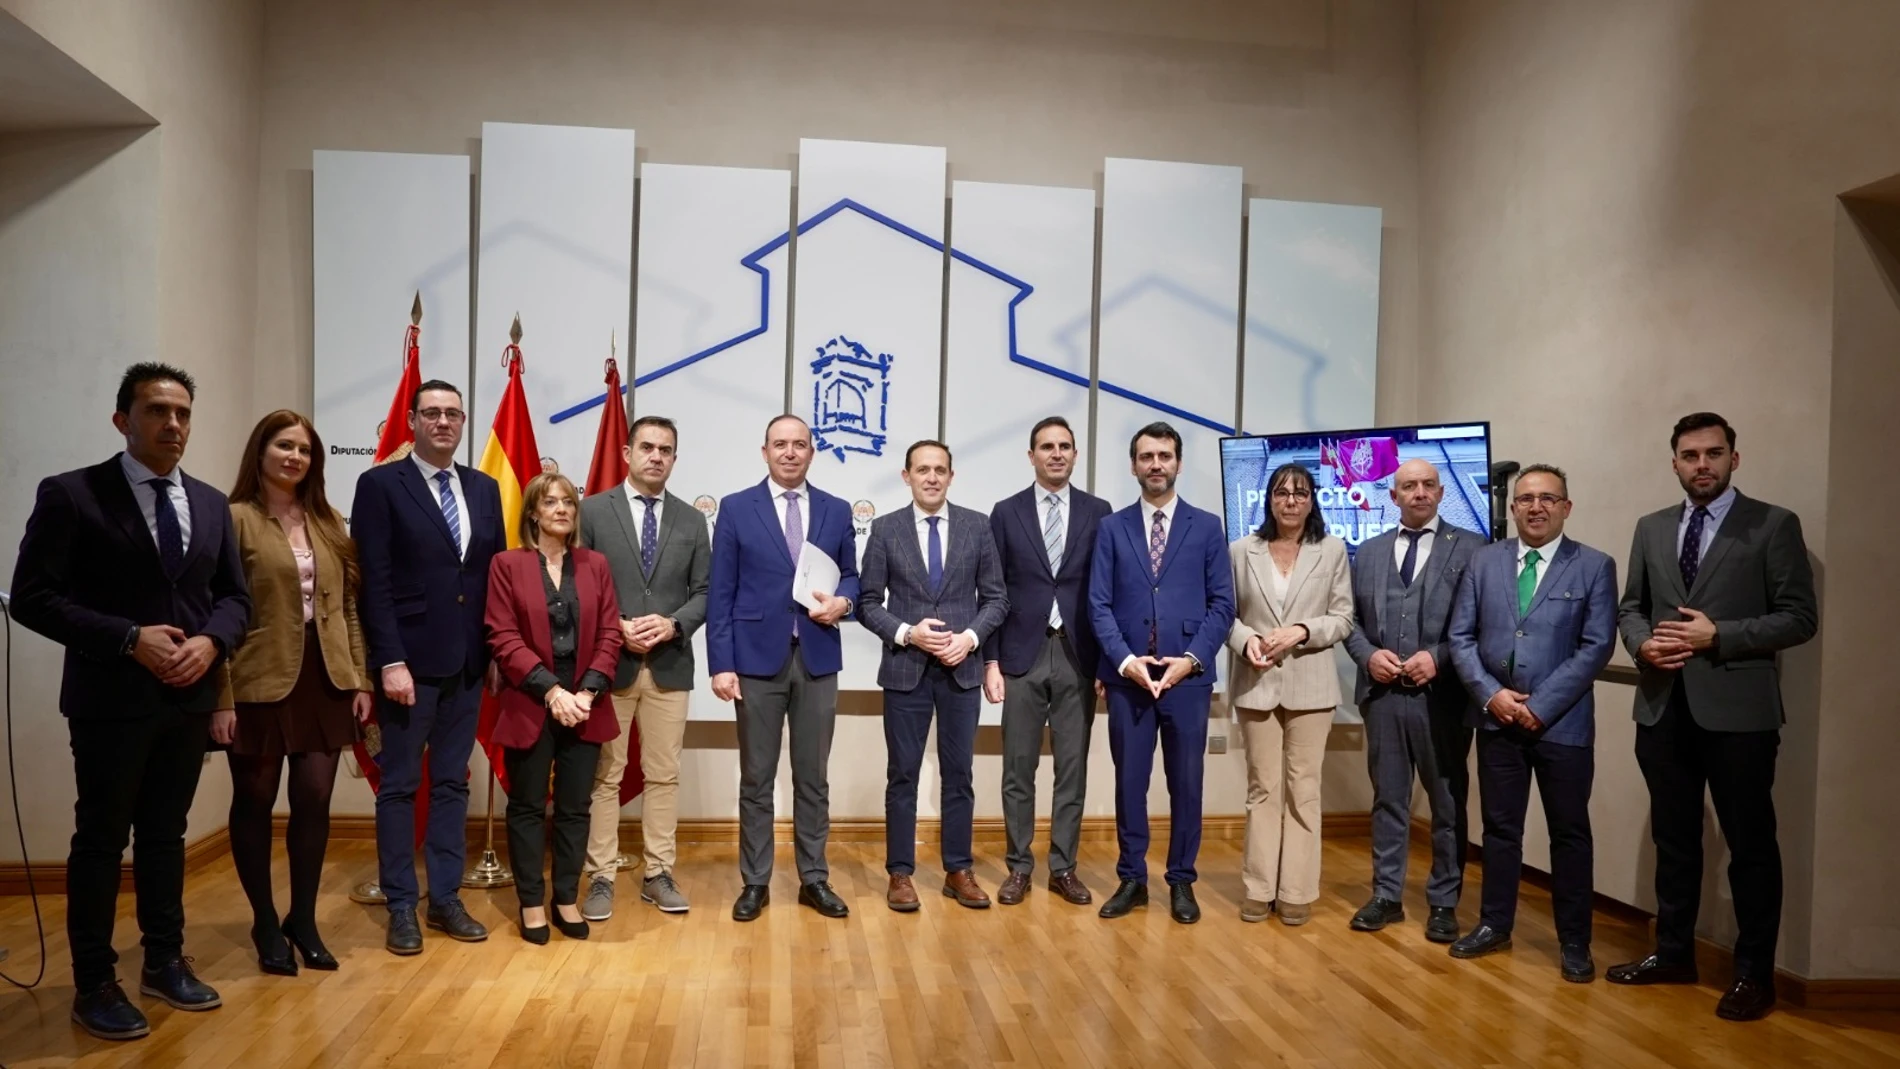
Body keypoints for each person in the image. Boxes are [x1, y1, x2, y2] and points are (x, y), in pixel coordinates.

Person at [10, 363, 250, 1041]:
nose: (172, 424)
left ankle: (164, 960)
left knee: (166, 835)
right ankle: (94, 980)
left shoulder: (207, 502)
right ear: (123, 420)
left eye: (182, 413)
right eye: (156, 411)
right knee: (101, 839)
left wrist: (210, 644)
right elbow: (32, 597)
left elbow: (235, 597)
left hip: (188, 698)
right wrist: (126, 639)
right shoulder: (73, 494)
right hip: (110, 698)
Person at [1607, 413, 1817, 1022]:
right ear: (1674, 462)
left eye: (1714, 453)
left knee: (1750, 845)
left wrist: (1717, 635)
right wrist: (1642, 643)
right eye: (1690, 455)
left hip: (1740, 714)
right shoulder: (1651, 527)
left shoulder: (1773, 525)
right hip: (1662, 706)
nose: (1703, 465)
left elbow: (1799, 617)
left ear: (1734, 459)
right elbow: (1632, 607)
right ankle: (1673, 953)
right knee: (1674, 841)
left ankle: (1754, 974)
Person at [212, 410, 372, 977]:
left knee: (314, 799)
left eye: (304, 450)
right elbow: (218, 612)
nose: (294, 458)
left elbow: (350, 607)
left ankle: (301, 919)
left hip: (325, 679)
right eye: (284, 446)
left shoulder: (328, 520)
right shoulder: (233, 520)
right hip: (258, 679)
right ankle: (263, 919)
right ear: (260, 452)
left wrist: (359, 679)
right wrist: (221, 696)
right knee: (254, 801)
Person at [350, 379, 506, 954]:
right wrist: (388, 660)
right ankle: (400, 906)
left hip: (467, 663)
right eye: (432, 413)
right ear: (412, 420)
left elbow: (494, 580)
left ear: (464, 423)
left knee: (451, 784)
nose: (443, 422)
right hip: (407, 666)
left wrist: (492, 652)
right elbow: (376, 581)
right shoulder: (380, 485)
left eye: (453, 414)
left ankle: (444, 899)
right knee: (398, 786)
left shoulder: (484, 488)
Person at [1447, 464, 1615, 982]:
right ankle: (1495, 925)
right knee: (1500, 831)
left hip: (1561, 726)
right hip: (1497, 722)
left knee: (1569, 835)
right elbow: (1461, 638)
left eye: (1547, 498)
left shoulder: (1593, 565)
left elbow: (1596, 647)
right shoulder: (1484, 562)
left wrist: (1538, 706)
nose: (1535, 507)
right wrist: (1492, 696)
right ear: (1513, 507)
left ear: (1566, 507)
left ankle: (1574, 942)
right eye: (1525, 499)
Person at [706, 414, 859, 921]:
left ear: (812, 452)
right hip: (753, 661)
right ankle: (756, 881)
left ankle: (814, 877)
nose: (790, 452)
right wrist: (721, 664)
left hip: (817, 657)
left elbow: (854, 579)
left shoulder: (837, 510)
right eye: (780, 444)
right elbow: (721, 592)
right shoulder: (735, 508)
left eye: (800, 444)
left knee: (813, 777)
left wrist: (845, 603)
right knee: (757, 777)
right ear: (765, 450)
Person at [1088, 421, 1235, 925]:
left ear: (1178, 463)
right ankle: (1132, 878)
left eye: (1165, 456)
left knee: (1186, 784)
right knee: (1130, 783)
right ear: (1133, 465)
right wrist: (1125, 661)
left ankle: (1181, 881)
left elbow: (1223, 604)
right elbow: (1098, 604)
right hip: (1128, 678)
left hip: (1187, 680)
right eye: (1147, 456)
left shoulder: (1208, 526)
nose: (1156, 464)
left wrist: (1190, 660)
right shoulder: (1112, 527)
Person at [858, 440, 1008, 911]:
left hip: (961, 671)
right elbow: (865, 603)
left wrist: (970, 639)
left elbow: (997, 600)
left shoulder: (977, 527)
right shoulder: (884, 530)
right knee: (902, 775)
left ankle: (957, 870)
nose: (931, 478)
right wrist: (907, 633)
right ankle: (900, 873)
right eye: (922, 470)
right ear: (906, 476)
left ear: (951, 476)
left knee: (959, 774)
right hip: (906, 671)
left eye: (940, 470)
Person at [575, 415, 709, 919]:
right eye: (647, 447)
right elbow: (579, 584)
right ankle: (602, 876)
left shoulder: (692, 520)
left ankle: (657, 873)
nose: (656, 456)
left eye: (666, 450)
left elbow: (705, 593)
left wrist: (673, 625)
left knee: (663, 774)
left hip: (670, 664)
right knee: (606, 776)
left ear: (675, 458)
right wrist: (619, 624)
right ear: (628, 453)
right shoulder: (592, 511)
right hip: (610, 664)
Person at [1343, 459, 1481, 944]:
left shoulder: (1473, 549)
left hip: (1440, 699)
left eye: (1427, 485)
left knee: (1446, 802)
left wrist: (1438, 658)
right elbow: (1350, 622)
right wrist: (1368, 655)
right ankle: (1386, 895)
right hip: (1382, 697)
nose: (1419, 493)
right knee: (1388, 800)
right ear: (1392, 495)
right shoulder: (1370, 551)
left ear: (1441, 493)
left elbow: (1481, 624)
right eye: (1408, 486)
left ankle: (1444, 902)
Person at [485, 473, 624, 943]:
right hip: (531, 698)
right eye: (550, 502)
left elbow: (609, 632)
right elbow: (502, 636)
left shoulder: (595, 564)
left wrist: (585, 693)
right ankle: (530, 903)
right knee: (526, 806)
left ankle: (565, 897)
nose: (561, 509)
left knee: (575, 807)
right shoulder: (507, 564)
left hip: (585, 701)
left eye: (568, 501)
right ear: (533, 512)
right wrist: (551, 691)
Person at [983, 416, 1113, 906]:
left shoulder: (1100, 512)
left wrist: (1106, 665)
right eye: (1046, 446)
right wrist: (990, 662)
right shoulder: (1006, 512)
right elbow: (992, 592)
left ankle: (1063, 868)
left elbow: (1108, 593)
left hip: (1079, 655)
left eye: (1064, 446)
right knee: (1018, 768)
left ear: (1075, 455)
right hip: (1021, 655)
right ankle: (1019, 867)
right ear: (1031, 455)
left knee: (1071, 769)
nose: (1056, 454)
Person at [1225, 463, 1354, 926]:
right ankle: (1259, 888)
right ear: (1270, 499)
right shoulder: (1242, 550)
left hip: (1311, 687)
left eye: (1300, 493)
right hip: (1256, 682)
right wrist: (1247, 642)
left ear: (1312, 499)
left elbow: (1343, 618)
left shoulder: (1332, 550)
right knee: (1263, 789)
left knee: (1303, 790)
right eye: (1282, 492)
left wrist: (1301, 630)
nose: (1291, 501)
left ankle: (1297, 889)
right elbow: (1225, 613)